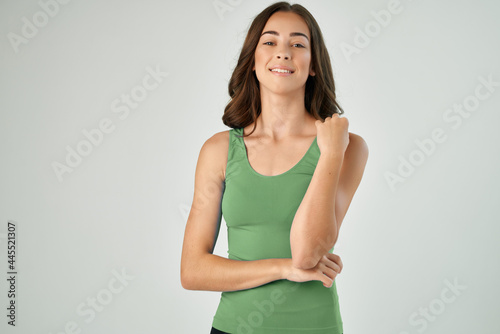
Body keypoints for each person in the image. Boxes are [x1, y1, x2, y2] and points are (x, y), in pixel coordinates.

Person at [180, 2, 369, 333]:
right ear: (253, 61)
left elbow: (309, 252)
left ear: (313, 65)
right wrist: (284, 268)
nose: (283, 53)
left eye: (298, 44)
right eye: (269, 42)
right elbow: (193, 270)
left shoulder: (346, 147)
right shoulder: (219, 150)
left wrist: (330, 154)